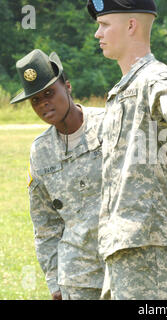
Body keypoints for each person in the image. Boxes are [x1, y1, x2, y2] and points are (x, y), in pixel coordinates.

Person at [86, 0, 167, 299]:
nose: (98, 33)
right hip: (126, 250)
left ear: (131, 25)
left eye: (105, 24)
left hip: (153, 251)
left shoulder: (155, 78)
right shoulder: (124, 88)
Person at [10, 49, 105, 300]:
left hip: (126, 268)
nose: (43, 104)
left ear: (68, 87)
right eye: (35, 100)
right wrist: (54, 282)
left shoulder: (109, 126)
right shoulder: (40, 151)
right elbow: (45, 224)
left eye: (49, 93)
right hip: (78, 278)